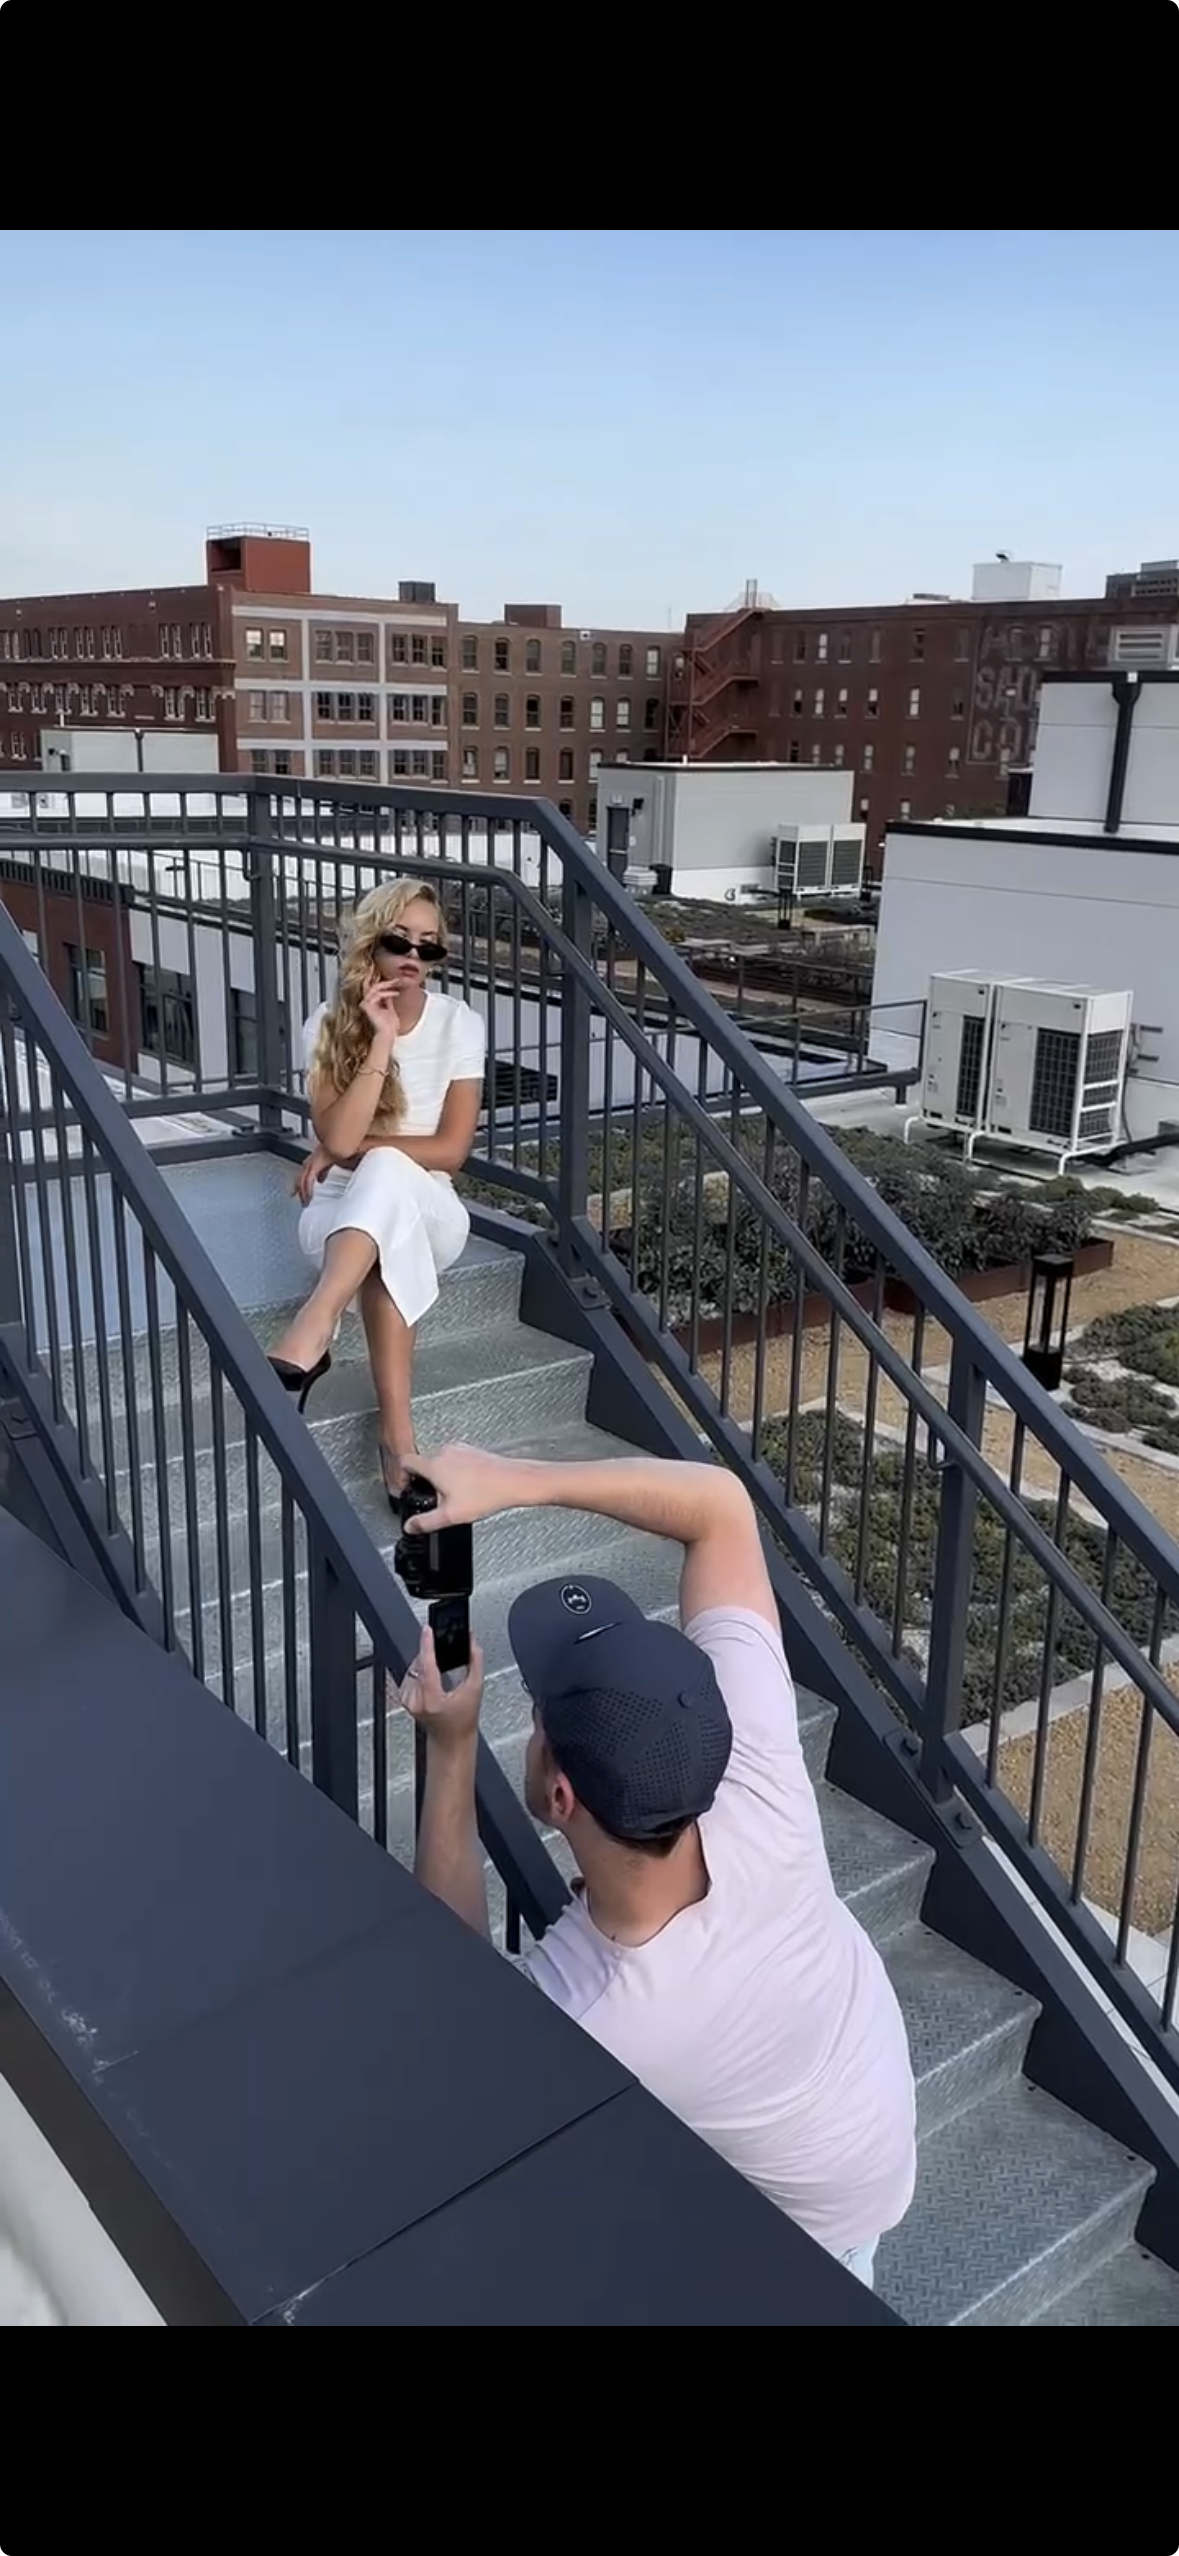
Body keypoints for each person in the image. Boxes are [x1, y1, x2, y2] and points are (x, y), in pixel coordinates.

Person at [398, 1443, 917, 2290]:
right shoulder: (755, 1778)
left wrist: (451, 1747)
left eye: (533, 1716)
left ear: (561, 1796)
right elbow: (718, 1506)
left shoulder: (600, 2015)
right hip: (864, 2143)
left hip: (801, 2252)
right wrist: (523, 1477)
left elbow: (453, 2000)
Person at [267, 881, 486, 1502]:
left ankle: (316, 1323)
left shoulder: (459, 1025)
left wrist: (361, 1152)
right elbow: (335, 1136)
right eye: (398, 942)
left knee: (390, 1173)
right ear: (372, 946)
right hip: (337, 1213)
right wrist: (380, 1040)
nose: (414, 958)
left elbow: (449, 1151)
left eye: (430, 947)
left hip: (431, 1204)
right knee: (386, 1238)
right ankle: (399, 1442)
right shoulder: (328, 1025)